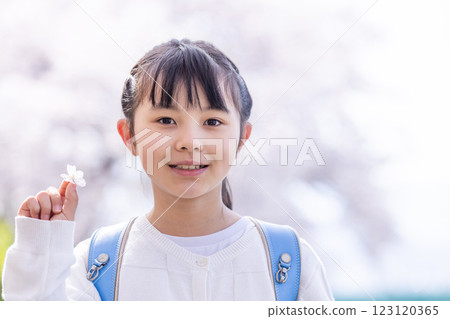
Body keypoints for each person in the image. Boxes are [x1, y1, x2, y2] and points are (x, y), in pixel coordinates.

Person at [1, 39, 334, 301]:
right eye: (165, 120)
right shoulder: (97, 265)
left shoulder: (290, 263)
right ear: (129, 136)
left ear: (242, 138)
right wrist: (41, 252)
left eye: (212, 122)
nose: (189, 142)